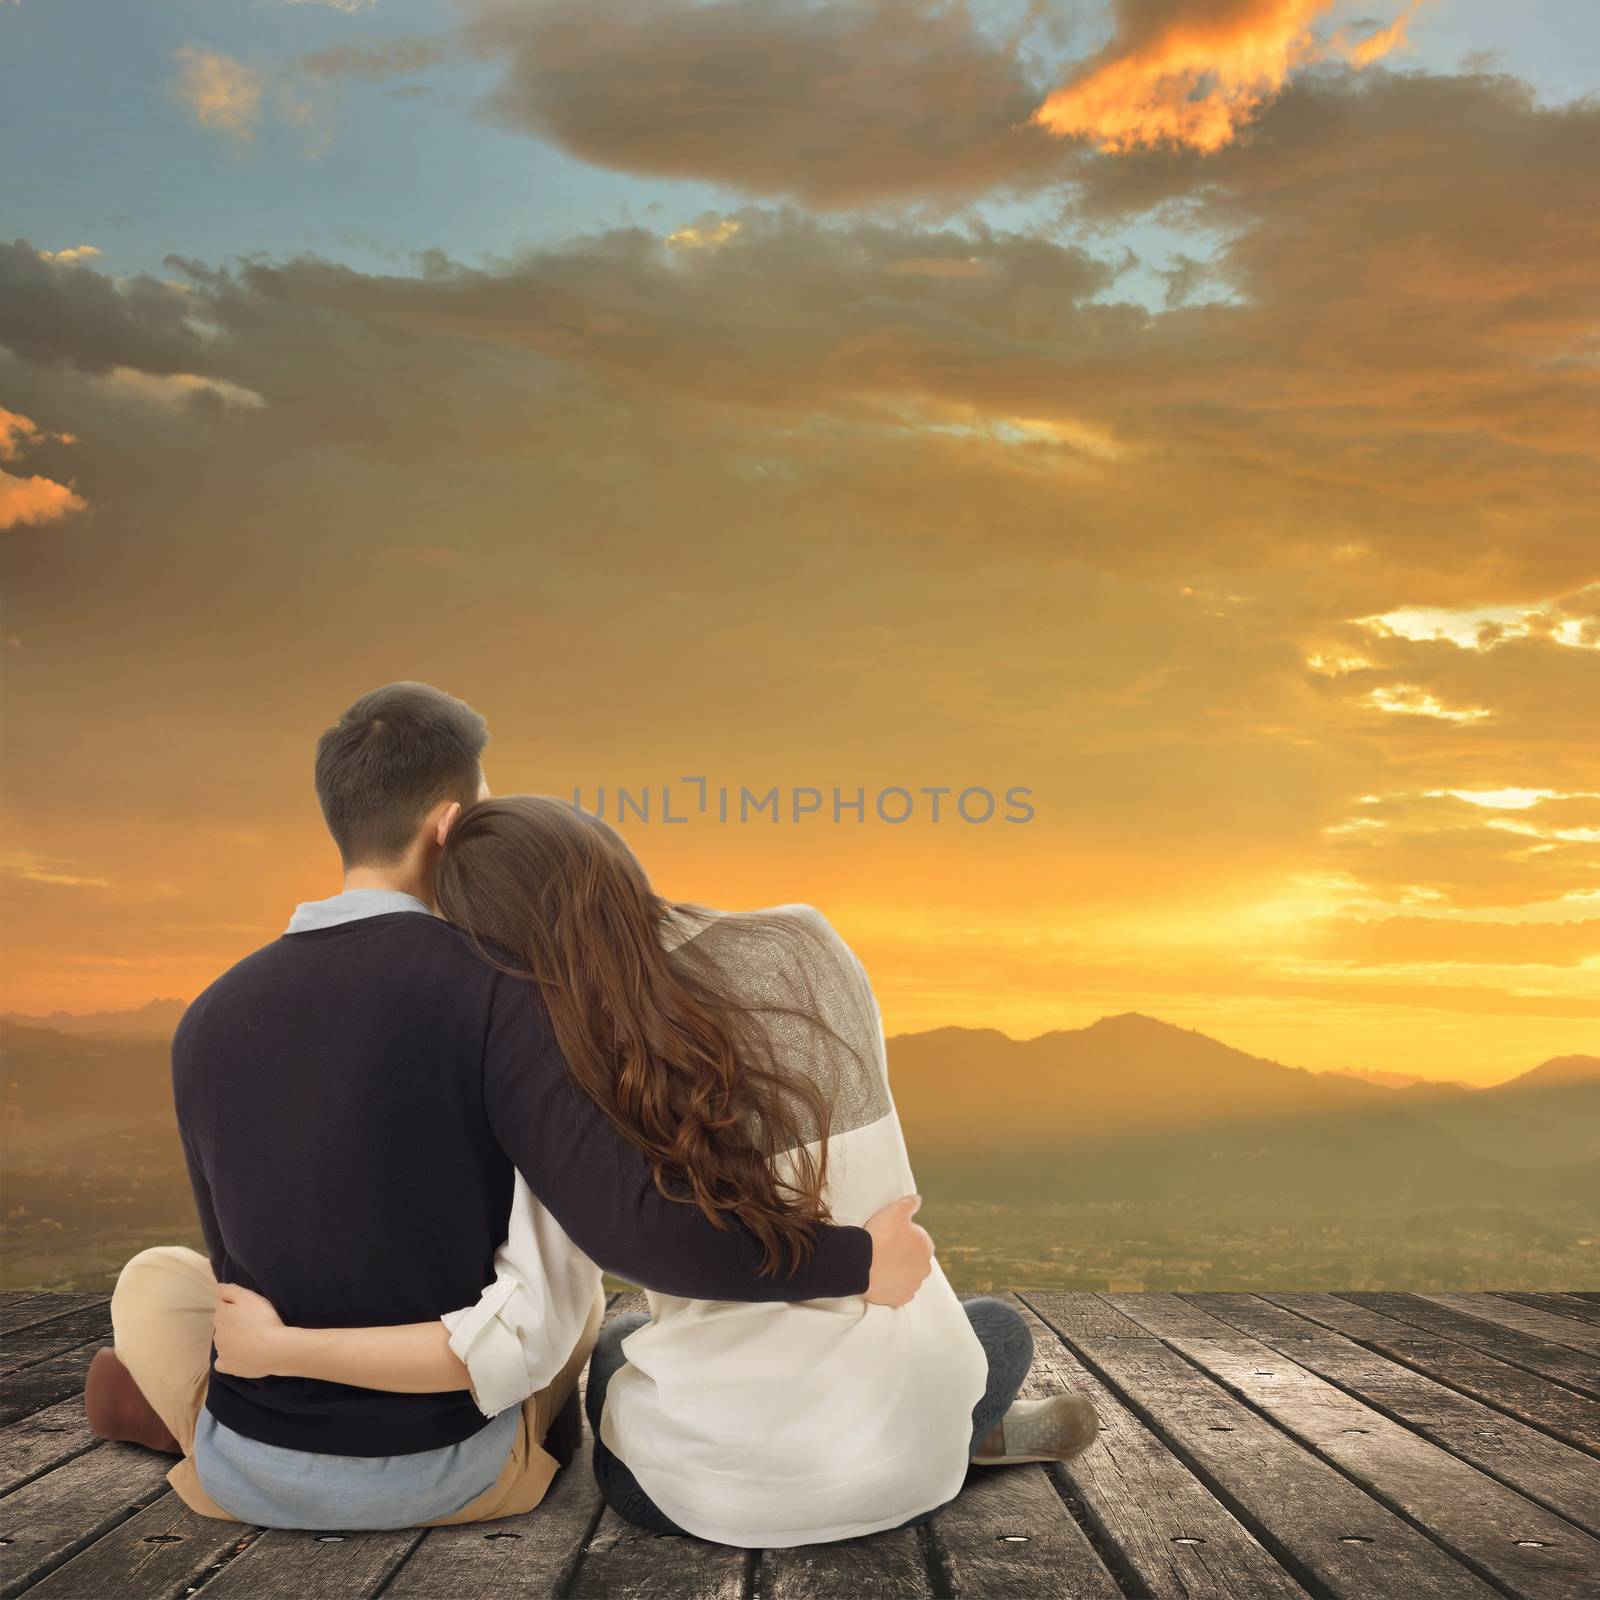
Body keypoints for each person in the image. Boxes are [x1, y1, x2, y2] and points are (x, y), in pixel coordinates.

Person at [85, 683, 933, 1531]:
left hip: (251, 1466)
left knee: (158, 1279)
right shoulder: (510, 995)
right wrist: (857, 1261)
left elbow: (239, 1274)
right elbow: (620, 1235)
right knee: (581, 1306)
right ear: (450, 825)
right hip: (453, 1471)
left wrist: (280, 1350)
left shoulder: (205, 1017)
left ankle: (186, 1420)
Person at [212, 792, 1099, 1546]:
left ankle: (914, 1428)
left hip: (720, 1493)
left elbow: (630, 1249)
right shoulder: (808, 943)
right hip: (909, 1440)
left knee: (613, 1347)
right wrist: (864, 1265)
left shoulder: (565, 1058)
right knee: (984, 1331)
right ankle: (954, 1427)